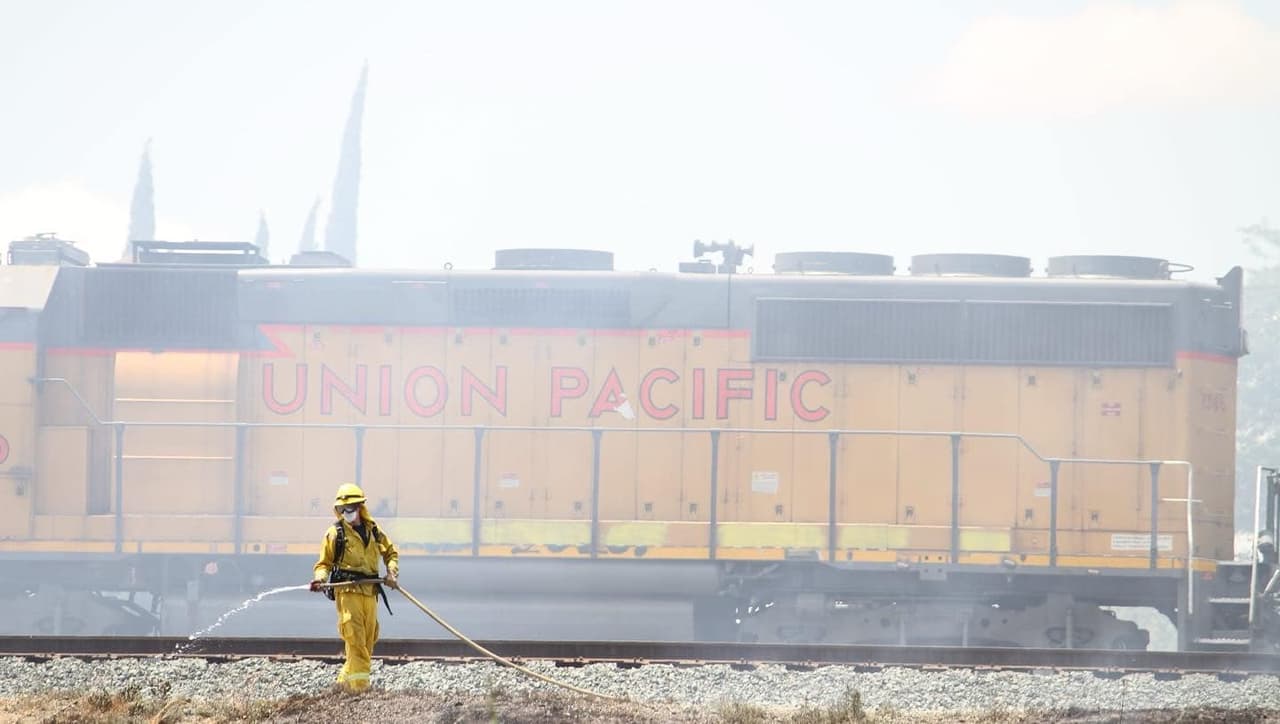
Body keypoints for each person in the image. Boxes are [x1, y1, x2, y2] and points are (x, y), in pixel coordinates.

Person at [310, 483, 400, 692]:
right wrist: (320, 579)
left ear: (360, 507)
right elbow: (324, 564)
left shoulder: (374, 531)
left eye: (349, 508)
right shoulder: (335, 533)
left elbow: (391, 554)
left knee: (367, 642)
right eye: (342, 509)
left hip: (370, 593)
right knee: (355, 639)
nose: (346, 512)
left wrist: (391, 573)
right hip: (348, 593)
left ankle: (342, 687)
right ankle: (361, 690)